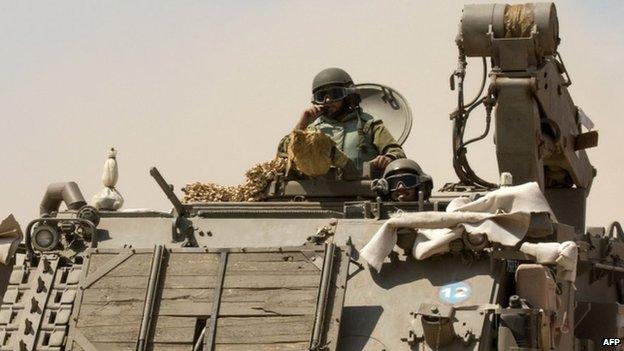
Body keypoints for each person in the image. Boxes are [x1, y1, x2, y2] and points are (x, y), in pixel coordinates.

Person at [281, 68, 406, 175]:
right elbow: (283, 157)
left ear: (348, 96)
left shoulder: (368, 125)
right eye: (321, 96)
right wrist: (302, 124)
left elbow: (396, 152)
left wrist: (388, 158)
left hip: (360, 192)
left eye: (334, 94)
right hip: (319, 195)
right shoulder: (311, 130)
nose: (328, 100)